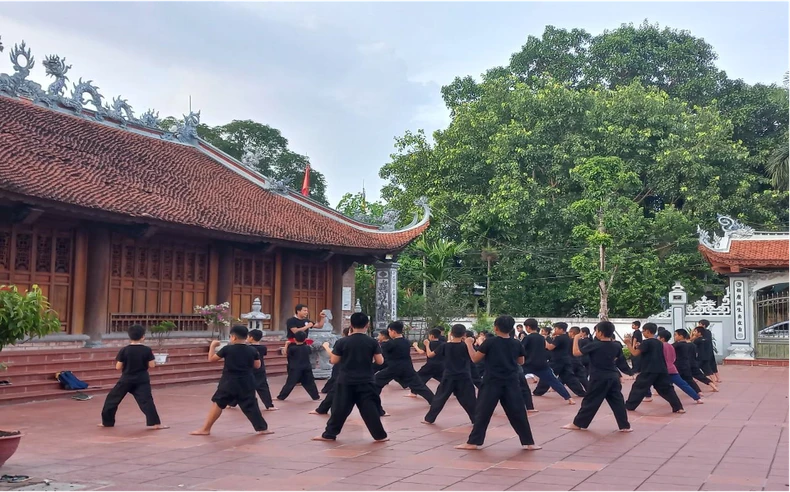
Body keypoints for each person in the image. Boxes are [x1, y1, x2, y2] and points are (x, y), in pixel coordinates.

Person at [456, 315, 541, 451]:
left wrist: (468, 344)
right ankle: (529, 442)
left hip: (492, 382)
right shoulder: (516, 343)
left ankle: (473, 442)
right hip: (511, 382)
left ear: (495, 328)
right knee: (518, 412)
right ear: (511, 328)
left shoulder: (490, 342)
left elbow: (475, 359)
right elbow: (521, 362)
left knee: (483, 412)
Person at [313, 312, 388, 442]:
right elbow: (380, 361)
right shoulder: (372, 342)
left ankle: (329, 434)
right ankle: (380, 436)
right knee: (370, 410)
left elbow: (334, 360)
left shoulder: (342, 342)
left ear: (351, 325)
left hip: (346, 381)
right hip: (366, 380)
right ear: (367, 325)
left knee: (339, 410)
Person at [191, 325, 272, 436]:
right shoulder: (252, 350)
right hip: (247, 381)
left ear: (233, 337)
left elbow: (211, 359)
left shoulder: (228, 349)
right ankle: (262, 428)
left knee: (218, 403)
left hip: (229, 381)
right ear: (246, 336)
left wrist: (212, 346)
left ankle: (206, 429)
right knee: (251, 405)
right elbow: (257, 365)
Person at [562, 321, 631, 432]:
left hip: (599, 377)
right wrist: (630, 373)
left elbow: (576, 353)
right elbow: (620, 362)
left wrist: (575, 338)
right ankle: (624, 426)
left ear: (600, 332)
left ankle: (578, 423)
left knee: (590, 401)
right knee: (617, 401)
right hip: (613, 377)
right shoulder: (616, 345)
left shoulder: (595, 345)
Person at [99, 324, 167, 430]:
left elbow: (118, 367)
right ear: (143, 337)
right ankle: (155, 423)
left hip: (126, 379)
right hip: (142, 379)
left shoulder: (124, 350)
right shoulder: (147, 350)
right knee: (146, 401)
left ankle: (107, 422)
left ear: (129, 336)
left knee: (112, 399)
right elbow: (152, 365)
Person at [422, 324, 477, 424]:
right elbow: (475, 358)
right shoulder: (466, 346)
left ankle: (429, 418)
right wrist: (469, 343)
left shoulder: (444, 346)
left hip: (449, 376)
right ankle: (476, 419)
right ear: (464, 334)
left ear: (451, 333)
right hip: (464, 376)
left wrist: (426, 345)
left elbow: (430, 355)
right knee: (470, 399)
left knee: (440, 398)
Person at [623, 323, 684, 413]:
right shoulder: (659, 342)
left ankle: (630, 406)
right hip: (661, 369)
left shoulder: (646, 342)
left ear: (647, 331)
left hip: (649, 369)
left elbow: (635, 353)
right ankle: (678, 407)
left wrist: (628, 344)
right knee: (666, 389)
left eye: (643, 331)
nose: (643, 333)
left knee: (638, 387)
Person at [374, 321, 434, 405]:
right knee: (419, 386)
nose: (389, 333)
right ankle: (434, 401)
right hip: (407, 367)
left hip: (393, 368)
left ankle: (374, 405)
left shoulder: (390, 344)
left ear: (393, 331)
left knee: (376, 381)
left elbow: (382, 356)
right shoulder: (406, 342)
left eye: (389, 331)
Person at [522, 319, 575, 405]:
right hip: (542, 364)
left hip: (528, 364)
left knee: (513, 379)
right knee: (554, 381)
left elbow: (521, 349)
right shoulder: (542, 338)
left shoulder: (527, 338)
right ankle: (569, 398)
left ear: (528, 327)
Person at [228, 329, 277, 411]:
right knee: (263, 388)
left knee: (242, 387)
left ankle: (231, 403)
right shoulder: (263, 348)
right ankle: (269, 405)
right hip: (260, 370)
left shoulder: (247, 348)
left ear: (251, 338)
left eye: (248, 336)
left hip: (248, 370)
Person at [533, 323, 586, 397]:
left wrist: (544, 339)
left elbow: (550, 347)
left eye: (556, 329)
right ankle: (581, 392)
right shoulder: (567, 337)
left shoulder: (559, 338)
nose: (555, 330)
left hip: (556, 361)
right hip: (565, 359)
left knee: (547, 375)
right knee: (569, 378)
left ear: (561, 329)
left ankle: (538, 392)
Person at [656, 330, 703, 404]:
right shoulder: (671, 346)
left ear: (662, 338)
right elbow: (673, 357)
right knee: (683, 384)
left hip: (663, 369)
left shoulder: (661, 346)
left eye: (658, 336)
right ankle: (697, 398)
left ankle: (648, 395)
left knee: (646, 382)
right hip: (672, 368)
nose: (657, 338)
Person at [311, 328, 350, 415]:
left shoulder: (342, 342)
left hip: (341, 367)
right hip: (355, 371)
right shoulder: (367, 341)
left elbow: (334, 358)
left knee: (335, 387)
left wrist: (326, 347)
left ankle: (325, 409)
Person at [277, 331, 320, 401]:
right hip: (307, 367)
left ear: (294, 339)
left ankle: (281, 397)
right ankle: (316, 396)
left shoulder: (292, 348)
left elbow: (285, 353)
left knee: (290, 383)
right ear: (305, 339)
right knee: (310, 383)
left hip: (295, 368)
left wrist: (286, 344)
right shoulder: (307, 348)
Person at [568, 326, 590, 391]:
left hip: (571, 360)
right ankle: (589, 389)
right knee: (582, 377)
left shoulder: (570, 341)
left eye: (570, 332)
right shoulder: (580, 341)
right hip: (578, 360)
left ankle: (581, 391)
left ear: (572, 332)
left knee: (566, 375)